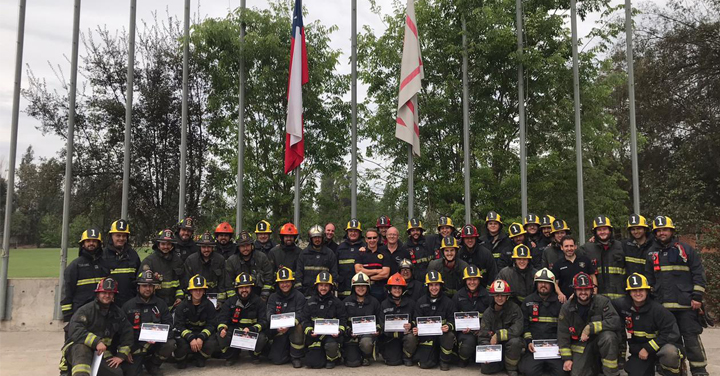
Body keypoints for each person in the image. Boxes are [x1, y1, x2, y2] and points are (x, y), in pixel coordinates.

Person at [645, 216, 708, 376]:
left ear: (672, 230)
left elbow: (698, 274)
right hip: (663, 309)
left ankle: (699, 371)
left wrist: (697, 297)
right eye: (658, 231)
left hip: (686, 306)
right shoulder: (651, 253)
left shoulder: (686, 250)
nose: (661, 233)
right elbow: (649, 279)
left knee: (691, 340)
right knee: (670, 342)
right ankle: (677, 371)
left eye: (664, 229)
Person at [59, 278, 134, 376]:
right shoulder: (86, 310)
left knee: (116, 373)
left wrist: (121, 356)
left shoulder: (118, 314)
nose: (107, 296)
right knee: (82, 364)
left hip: (101, 352)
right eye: (104, 293)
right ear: (98, 294)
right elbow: (75, 329)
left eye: (110, 293)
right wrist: (96, 342)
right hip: (79, 348)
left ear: (114, 296)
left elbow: (127, 334)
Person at [612, 273, 682, 376]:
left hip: (661, 347)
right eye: (634, 290)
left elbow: (671, 333)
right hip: (640, 351)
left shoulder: (658, 310)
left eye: (641, 290)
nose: (638, 293)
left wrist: (648, 348)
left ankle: (670, 370)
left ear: (647, 291)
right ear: (629, 292)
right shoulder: (622, 306)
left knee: (670, 353)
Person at [557, 272, 622, 376]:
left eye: (586, 289)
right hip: (581, 345)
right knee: (577, 374)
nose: (583, 292)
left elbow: (615, 321)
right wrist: (567, 358)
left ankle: (611, 373)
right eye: (580, 289)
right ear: (575, 290)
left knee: (609, 337)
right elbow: (562, 334)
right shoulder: (566, 308)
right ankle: (594, 367)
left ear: (592, 290)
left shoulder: (603, 302)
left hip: (600, 341)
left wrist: (590, 328)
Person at [121, 270, 175, 376]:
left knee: (170, 344)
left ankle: (153, 364)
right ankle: (139, 363)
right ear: (138, 287)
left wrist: (158, 335)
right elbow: (122, 331)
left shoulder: (161, 304)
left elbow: (169, 324)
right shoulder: (128, 306)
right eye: (144, 285)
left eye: (150, 286)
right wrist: (124, 351)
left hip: (156, 343)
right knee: (133, 373)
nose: (148, 289)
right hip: (135, 345)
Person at [518, 269, 564, 376]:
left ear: (552, 285)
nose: (543, 285)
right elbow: (524, 325)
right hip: (535, 348)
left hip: (554, 348)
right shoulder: (528, 302)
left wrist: (561, 346)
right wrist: (529, 342)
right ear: (536, 284)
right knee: (528, 371)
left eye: (547, 283)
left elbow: (564, 327)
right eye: (540, 282)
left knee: (562, 373)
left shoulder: (560, 303)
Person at [217, 273, 268, 365]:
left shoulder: (258, 302)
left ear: (251, 288)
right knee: (222, 336)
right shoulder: (230, 302)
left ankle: (254, 355)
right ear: (237, 289)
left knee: (262, 338)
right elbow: (222, 318)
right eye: (241, 288)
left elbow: (264, 321)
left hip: (252, 332)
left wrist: (251, 329)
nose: (244, 290)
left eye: (247, 287)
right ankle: (231, 356)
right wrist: (222, 329)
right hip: (235, 332)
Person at [61, 228, 108, 325]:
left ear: (99, 244)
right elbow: (67, 292)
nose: (91, 243)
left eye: (94, 241)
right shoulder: (75, 266)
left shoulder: (105, 264)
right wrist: (68, 315)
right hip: (80, 312)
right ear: (83, 244)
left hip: (102, 312)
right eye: (88, 241)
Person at [478, 279, 524, 376]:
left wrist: (498, 336)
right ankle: (502, 363)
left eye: (502, 295)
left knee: (516, 342)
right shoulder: (488, 313)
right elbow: (483, 336)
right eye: (497, 295)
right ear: (493, 296)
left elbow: (518, 328)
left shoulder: (515, 309)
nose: (500, 298)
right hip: (494, 347)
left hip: (510, 344)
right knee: (485, 369)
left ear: (507, 296)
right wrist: (486, 352)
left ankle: (511, 368)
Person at [301, 271, 347, 369]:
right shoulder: (310, 302)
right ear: (316, 286)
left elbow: (343, 319)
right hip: (315, 337)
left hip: (332, 337)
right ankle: (321, 355)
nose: (323, 288)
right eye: (321, 285)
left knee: (331, 346)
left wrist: (340, 331)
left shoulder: (337, 303)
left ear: (331, 287)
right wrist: (309, 331)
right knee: (312, 364)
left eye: (326, 285)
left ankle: (333, 358)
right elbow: (305, 319)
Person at [412, 271, 456, 370]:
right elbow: (416, 319)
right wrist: (416, 328)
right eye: (431, 285)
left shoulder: (448, 302)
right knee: (426, 364)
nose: (434, 288)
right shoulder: (420, 302)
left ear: (441, 286)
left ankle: (444, 361)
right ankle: (432, 356)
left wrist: (448, 326)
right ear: (427, 286)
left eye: (436, 285)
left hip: (442, 336)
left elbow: (453, 320)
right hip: (427, 337)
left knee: (449, 336)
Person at [173, 274, 220, 368]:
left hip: (201, 334)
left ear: (204, 291)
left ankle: (200, 357)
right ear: (190, 291)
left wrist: (201, 337)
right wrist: (190, 337)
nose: (198, 292)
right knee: (179, 342)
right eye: (195, 289)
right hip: (187, 335)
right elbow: (178, 325)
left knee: (212, 342)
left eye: (200, 289)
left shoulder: (209, 305)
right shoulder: (182, 306)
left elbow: (212, 324)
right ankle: (181, 359)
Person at [265, 266, 306, 367]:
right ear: (278, 283)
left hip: (293, 328)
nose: (285, 285)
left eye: (287, 281)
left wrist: (290, 324)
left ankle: (296, 357)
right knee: (277, 360)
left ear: (292, 282)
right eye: (282, 282)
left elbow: (301, 313)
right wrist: (277, 326)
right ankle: (286, 352)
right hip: (279, 330)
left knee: (299, 327)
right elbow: (269, 313)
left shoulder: (299, 296)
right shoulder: (273, 297)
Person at [453, 266, 491, 367]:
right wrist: (461, 329)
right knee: (467, 344)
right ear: (465, 280)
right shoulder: (458, 296)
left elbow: (492, 317)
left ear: (479, 280)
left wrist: (483, 329)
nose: (472, 282)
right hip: (465, 333)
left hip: (483, 332)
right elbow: (452, 316)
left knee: (487, 366)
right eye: (469, 279)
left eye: (475, 279)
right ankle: (463, 359)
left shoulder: (487, 296)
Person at [580, 216, 626, 300]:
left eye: (605, 229)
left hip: (620, 298)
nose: (602, 232)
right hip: (598, 299)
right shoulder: (587, 249)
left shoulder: (621, 246)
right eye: (599, 230)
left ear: (610, 230)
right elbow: (569, 251)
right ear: (595, 232)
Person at [343, 272, 382, 367]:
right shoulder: (346, 302)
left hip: (367, 335)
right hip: (352, 336)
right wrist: (349, 331)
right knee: (352, 363)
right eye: (358, 286)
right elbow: (342, 320)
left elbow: (379, 319)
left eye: (363, 286)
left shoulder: (374, 302)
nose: (361, 288)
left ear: (368, 287)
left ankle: (366, 356)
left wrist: (378, 329)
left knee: (366, 343)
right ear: (353, 287)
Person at [139, 229, 185, 309]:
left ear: (172, 245)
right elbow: (141, 284)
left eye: (168, 244)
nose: (166, 247)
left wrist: (179, 297)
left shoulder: (177, 261)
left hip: (174, 305)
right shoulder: (149, 262)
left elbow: (182, 283)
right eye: (163, 244)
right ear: (158, 245)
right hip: (153, 305)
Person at [379, 273, 417, 366]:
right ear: (390, 289)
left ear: (403, 289)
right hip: (390, 338)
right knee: (393, 362)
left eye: (399, 288)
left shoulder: (411, 303)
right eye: (394, 288)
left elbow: (416, 319)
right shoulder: (384, 304)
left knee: (411, 338)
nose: (397, 290)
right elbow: (381, 323)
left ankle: (407, 356)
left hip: (406, 336)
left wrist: (411, 325)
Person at [225, 231, 274, 301]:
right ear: (238, 247)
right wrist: (234, 300)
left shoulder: (262, 257)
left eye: (247, 245)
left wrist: (263, 297)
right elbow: (228, 284)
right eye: (242, 246)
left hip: (259, 295)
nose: (245, 248)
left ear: (252, 245)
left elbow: (269, 279)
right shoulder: (231, 261)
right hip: (239, 296)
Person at [102, 219, 140, 307]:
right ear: (111, 236)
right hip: (109, 303)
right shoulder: (103, 255)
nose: (121, 238)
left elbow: (138, 278)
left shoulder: (133, 255)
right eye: (118, 235)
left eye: (124, 236)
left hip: (130, 302)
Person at [185, 232, 227, 308]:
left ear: (213, 247)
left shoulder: (220, 260)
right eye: (204, 247)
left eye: (209, 247)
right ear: (200, 247)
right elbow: (187, 282)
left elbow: (222, 282)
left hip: (215, 299)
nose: (206, 249)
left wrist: (220, 302)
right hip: (196, 299)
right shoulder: (191, 260)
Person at [552, 236, 597, 303]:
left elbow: (593, 277)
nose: (569, 248)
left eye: (571, 246)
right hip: (566, 302)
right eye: (566, 246)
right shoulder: (558, 264)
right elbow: (555, 283)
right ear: (562, 247)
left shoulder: (585, 260)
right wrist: (560, 294)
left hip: (585, 299)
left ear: (575, 247)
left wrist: (594, 293)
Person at [296, 224, 338, 295]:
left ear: (323, 238)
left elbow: (334, 273)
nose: (317, 240)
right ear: (311, 238)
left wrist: (332, 287)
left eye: (319, 237)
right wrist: (299, 289)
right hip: (306, 293)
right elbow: (299, 273)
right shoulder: (304, 254)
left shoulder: (329, 254)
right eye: (315, 237)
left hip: (324, 294)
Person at [355, 228, 392, 301]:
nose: (372, 240)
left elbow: (385, 274)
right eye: (369, 238)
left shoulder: (384, 253)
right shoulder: (360, 253)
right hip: (363, 289)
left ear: (378, 239)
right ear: (366, 239)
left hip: (380, 290)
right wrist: (377, 271)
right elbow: (358, 271)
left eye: (374, 238)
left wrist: (367, 277)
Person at [336, 219, 366, 298]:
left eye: (355, 231)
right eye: (350, 231)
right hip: (343, 290)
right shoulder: (340, 248)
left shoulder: (365, 247)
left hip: (361, 289)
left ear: (360, 233)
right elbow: (335, 268)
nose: (353, 233)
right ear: (347, 232)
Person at [404, 218, 433, 283]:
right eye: (413, 230)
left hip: (431, 279)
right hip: (414, 281)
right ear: (409, 232)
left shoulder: (429, 242)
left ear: (421, 231)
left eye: (417, 230)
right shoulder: (406, 247)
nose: (415, 233)